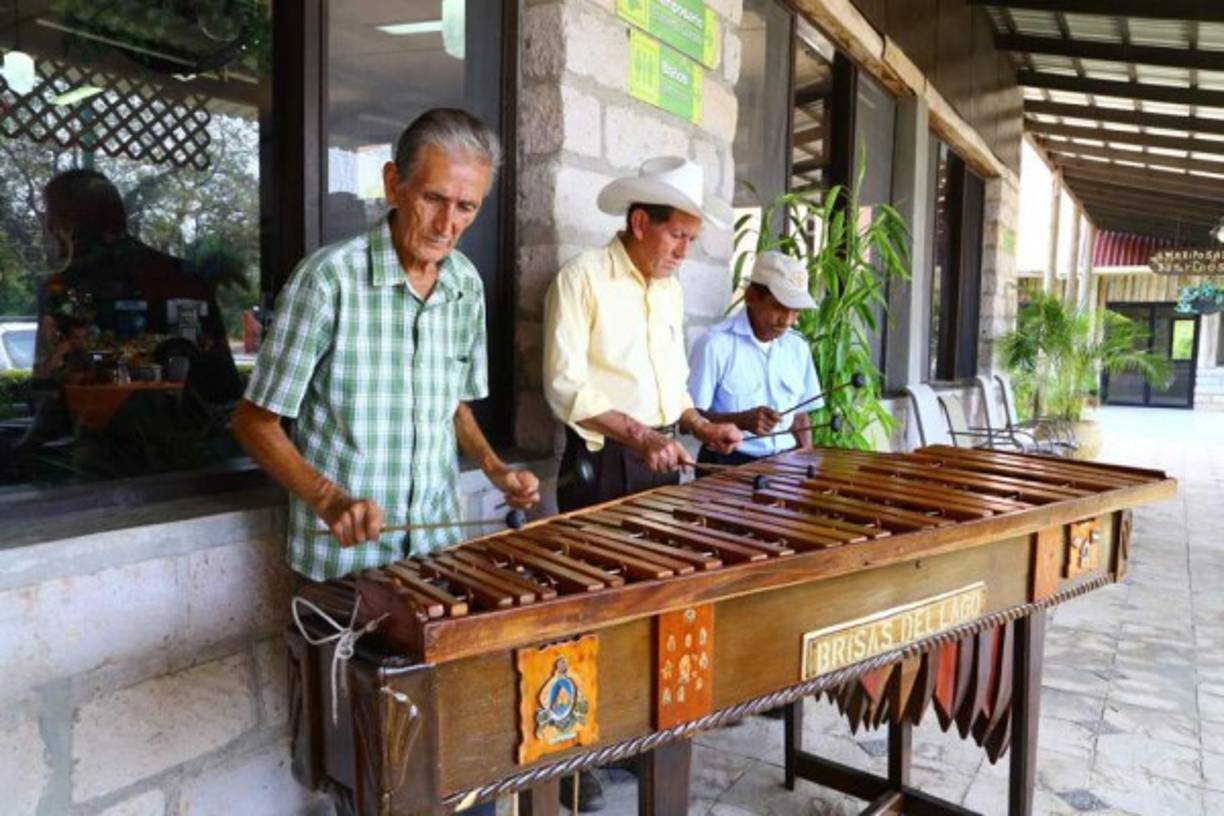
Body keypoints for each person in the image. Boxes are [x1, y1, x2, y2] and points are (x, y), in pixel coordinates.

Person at [233, 108, 539, 585]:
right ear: (394, 184)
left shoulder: (465, 285)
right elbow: (254, 422)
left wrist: (494, 467)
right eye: (433, 198)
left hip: (436, 554)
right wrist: (328, 498)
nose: (447, 225)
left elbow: (448, 400)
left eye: (466, 207)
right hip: (344, 565)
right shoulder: (328, 281)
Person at [541, 156, 742, 811]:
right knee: (596, 609)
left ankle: (631, 735)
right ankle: (575, 759)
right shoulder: (582, 280)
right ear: (638, 222)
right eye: (677, 236)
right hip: (604, 461)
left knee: (654, 604)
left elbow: (673, 384)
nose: (686, 250)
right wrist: (641, 436)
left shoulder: (669, 288)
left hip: (662, 454)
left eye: (691, 238)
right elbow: (564, 386)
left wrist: (698, 426)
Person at [18, 168, 241, 459]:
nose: (47, 224)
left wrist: (21, 455)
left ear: (67, 220)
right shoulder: (186, 278)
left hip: (106, 466)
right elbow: (224, 386)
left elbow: (52, 400)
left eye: (51, 213)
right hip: (197, 462)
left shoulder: (64, 288)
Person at [688, 251, 821, 464]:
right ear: (751, 297)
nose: (787, 320)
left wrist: (805, 456)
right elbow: (689, 419)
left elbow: (799, 414)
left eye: (795, 311)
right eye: (778, 307)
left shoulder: (798, 347)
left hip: (785, 463)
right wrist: (741, 420)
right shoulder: (715, 344)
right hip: (728, 464)